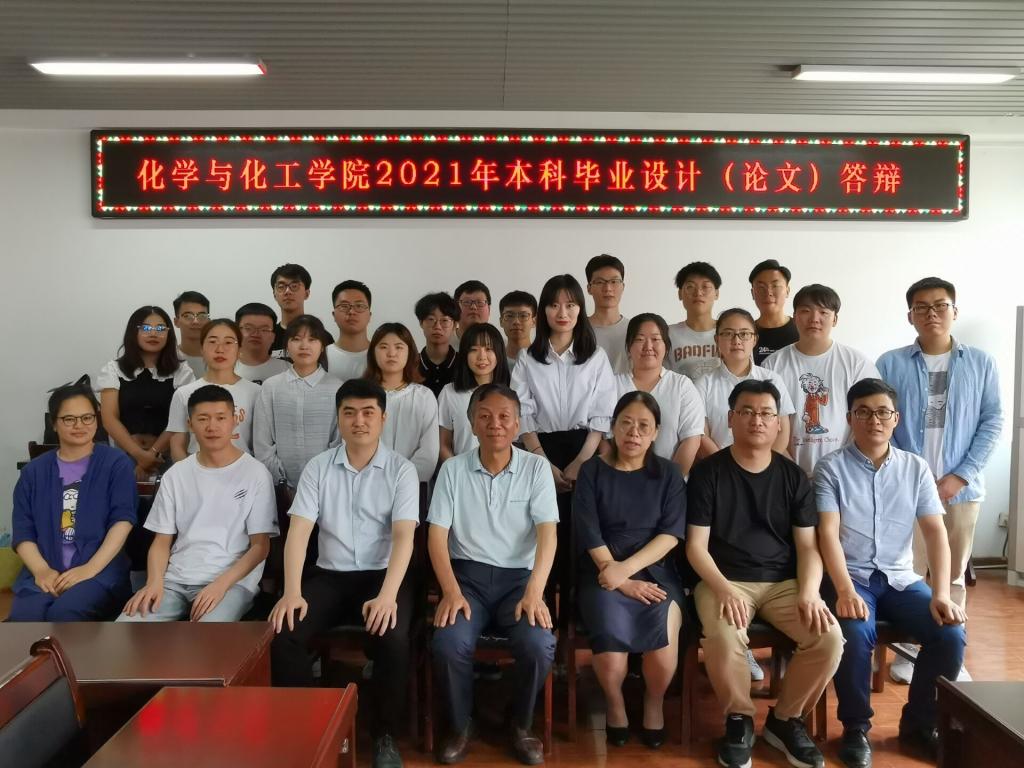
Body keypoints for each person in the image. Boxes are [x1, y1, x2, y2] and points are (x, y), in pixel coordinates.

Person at [686, 379, 843, 768]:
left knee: (828, 638)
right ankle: (739, 719)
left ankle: (785, 720)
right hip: (723, 580)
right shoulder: (708, 473)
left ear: (778, 423)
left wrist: (809, 592)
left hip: (783, 583)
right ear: (731, 419)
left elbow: (808, 547)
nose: (757, 420)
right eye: (747, 412)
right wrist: (723, 589)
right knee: (723, 635)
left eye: (766, 414)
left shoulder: (793, 476)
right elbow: (696, 547)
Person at [815, 378, 967, 767]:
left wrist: (941, 593)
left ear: (896, 418)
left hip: (901, 579)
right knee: (853, 633)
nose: (874, 420)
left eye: (883, 412)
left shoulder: (915, 468)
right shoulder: (831, 467)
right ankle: (855, 729)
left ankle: (920, 723)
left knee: (950, 632)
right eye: (863, 412)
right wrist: (844, 590)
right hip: (852, 578)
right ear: (850, 418)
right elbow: (827, 533)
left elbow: (935, 532)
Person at [269, 378, 418, 768]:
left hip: (382, 576)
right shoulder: (319, 467)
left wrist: (388, 595)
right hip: (330, 576)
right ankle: (309, 729)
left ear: (383, 418)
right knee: (285, 633)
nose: (359, 421)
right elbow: (299, 532)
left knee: (394, 638)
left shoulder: (401, 470)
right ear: (339, 418)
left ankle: (385, 735)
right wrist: (291, 591)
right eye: (349, 413)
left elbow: (404, 537)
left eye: (368, 412)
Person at [428, 384, 558, 765]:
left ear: (517, 424)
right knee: (448, 643)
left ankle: (521, 724)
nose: (494, 424)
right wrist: (450, 591)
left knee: (538, 644)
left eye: (504, 417)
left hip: (520, 581)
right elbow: (436, 537)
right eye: (484, 416)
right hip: (466, 581)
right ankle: (461, 724)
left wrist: (535, 591)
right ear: (472, 424)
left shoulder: (536, 469)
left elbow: (547, 535)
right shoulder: (452, 470)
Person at [877, 277, 1003, 629]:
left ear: (954, 311)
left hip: (961, 489)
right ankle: (908, 645)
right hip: (906, 487)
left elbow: (993, 421)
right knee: (908, 572)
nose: (931, 313)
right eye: (921, 307)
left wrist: (961, 475)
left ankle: (949, 643)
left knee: (953, 575)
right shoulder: (890, 364)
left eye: (940, 306)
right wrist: (909, 474)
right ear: (910, 316)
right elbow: (880, 423)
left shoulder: (981, 363)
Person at [574, 392, 686, 749]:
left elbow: (670, 535)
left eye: (643, 426)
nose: (634, 432)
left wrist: (627, 572)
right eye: (626, 423)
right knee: (611, 653)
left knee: (663, 648)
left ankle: (654, 703)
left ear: (656, 432)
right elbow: (588, 531)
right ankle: (615, 704)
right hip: (601, 572)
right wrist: (619, 579)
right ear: (613, 427)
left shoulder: (669, 474)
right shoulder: (592, 471)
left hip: (656, 572)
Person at [119, 385, 278, 622]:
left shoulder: (256, 473)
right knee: (127, 626)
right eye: (203, 419)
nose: (212, 426)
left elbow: (260, 546)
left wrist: (220, 585)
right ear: (190, 424)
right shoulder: (176, 474)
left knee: (205, 635)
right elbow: (161, 542)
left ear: (235, 421)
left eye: (220, 418)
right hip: (174, 581)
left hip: (230, 584)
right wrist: (153, 583)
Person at [512, 274, 616, 599]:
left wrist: (582, 460)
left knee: (580, 530)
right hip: (539, 450)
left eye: (570, 305)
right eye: (554, 305)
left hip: (585, 449)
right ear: (542, 311)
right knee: (541, 528)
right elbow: (522, 414)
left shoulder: (595, 357)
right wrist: (542, 461)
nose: (562, 312)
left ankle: (577, 605)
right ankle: (540, 602)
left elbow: (602, 415)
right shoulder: (528, 358)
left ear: (580, 309)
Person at [9, 377, 136, 621]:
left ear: (97, 419)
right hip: (43, 571)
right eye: (69, 419)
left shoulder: (116, 464)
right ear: (54, 423)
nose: (79, 425)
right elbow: (23, 531)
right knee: (25, 618)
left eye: (87, 417)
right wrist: (41, 570)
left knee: (66, 613)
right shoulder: (33, 472)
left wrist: (89, 569)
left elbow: (123, 521)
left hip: (99, 572)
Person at [763, 284, 879, 478]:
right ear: (795, 317)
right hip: (786, 473)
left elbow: (871, 419)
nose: (814, 319)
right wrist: (794, 472)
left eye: (823, 312)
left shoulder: (857, 364)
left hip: (845, 472)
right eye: (806, 311)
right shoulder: (773, 365)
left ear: (835, 319)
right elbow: (765, 420)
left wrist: (841, 465)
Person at [98, 305, 196, 481]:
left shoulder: (182, 371)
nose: (153, 334)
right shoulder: (113, 369)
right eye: (146, 328)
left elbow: (181, 418)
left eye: (160, 328)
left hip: (166, 458)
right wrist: (138, 455)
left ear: (168, 333)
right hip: (124, 456)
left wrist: (152, 454)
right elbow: (109, 418)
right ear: (133, 331)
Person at [254, 315, 340, 487]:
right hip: (279, 486)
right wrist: (282, 482)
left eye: (312, 339)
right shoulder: (271, 387)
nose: (304, 346)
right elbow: (262, 444)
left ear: (322, 346)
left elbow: (339, 443)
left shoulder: (337, 388)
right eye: (296, 339)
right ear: (287, 345)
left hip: (327, 485)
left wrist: (321, 483)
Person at [697, 308, 794, 458]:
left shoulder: (773, 379)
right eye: (728, 334)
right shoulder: (703, 384)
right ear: (717, 340)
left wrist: (764, 465)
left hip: (767, 466)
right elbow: (701, 435)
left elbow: (782, 432)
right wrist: (726, 467)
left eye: (744, 334)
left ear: (754, 339)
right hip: (719, 466)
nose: (736, 341)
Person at [614, 313, 704, 477]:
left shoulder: (682, 386)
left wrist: (670, 483)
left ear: (666, 347)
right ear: (629, 347)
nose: (648, 346)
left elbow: (691, 439)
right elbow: (606, 439)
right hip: (619, 481)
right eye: (640, 339)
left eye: (655, 339)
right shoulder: (613, 385)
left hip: (669, 483)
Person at [167, 319, 261, 461]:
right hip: (197, 470)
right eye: (212, 342)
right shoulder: (184, 393)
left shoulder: (256, 392)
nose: (220, 349)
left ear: (239, 350)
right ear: (202, 349)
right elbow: (177, 445)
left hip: (243, 470)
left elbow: (262, 445)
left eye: (228, 342)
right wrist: (190, 472)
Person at [364, 322, 439, 483]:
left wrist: (401, 481)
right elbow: (351, 443)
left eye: (399, 347)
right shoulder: (360, 395)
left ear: (410, 352)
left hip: (411, 487)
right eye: (383, 347)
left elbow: (429, 453)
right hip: (365, 484)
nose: (391, 353)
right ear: (373, 353)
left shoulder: (424, 397)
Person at [438, 322, 511, 462]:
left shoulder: (510, 393)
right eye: (474, 350)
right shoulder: (449, 393)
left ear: (499, 353)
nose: (482, 356)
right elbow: (443, 445)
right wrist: (457, 471)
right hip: (461, 471)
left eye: (489, 349)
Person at [667, 261, 722, 380]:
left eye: (705, 287)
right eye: (690, 287)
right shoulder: (667, 334)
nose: (698, 293)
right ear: (680, 294)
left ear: (717, 293)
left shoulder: (730, 333)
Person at [269, 263, 333, 354]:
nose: (287, 291)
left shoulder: (322, 336)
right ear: (274, 295)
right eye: (281, 287)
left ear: (306, 293)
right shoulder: (267, 337)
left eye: (294, 286)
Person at [586, 254, 630, 375]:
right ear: (589, 288)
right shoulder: (576, 329)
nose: (608, 288)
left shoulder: (635, 329)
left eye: (614, 281)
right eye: (600, 282)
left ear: (623, 286)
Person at [749, 260, 799, 365]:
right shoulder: (745, 334)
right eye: (761, 287)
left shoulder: (801, 330)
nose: (768, 293)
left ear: (787, 291)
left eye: (775, 286)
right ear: (753, 293)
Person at [415, 292, 459, 397]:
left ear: (455, 325)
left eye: (445, 320)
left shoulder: (464, 364)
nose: (438, 326)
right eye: (431, 319)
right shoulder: (410, 364)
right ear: (421, 323)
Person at [327, 279, 373, 381]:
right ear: (334, 315)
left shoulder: (382, 355)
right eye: (344, 306)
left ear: (369, 316)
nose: (352, 312)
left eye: (359, 306)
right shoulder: (320, 356)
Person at [234, 302, 289, 384]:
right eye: (248, 328)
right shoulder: (223, 369)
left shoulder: (288, 370)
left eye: (264, 330)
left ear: (273, 336)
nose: (256, 334)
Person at [173, 290, 211, 377]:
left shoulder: (223, 359)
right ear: (176, 322)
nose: (195, 321)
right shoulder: (167, 359)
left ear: (208, 321)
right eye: (188, 316)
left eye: (202, 316)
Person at [499, 290, 538, 368]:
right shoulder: (492, 361)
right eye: (509, 316)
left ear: (534, 322)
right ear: (501, 321)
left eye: (523, 316)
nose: (516, 321)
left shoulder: (544, 360)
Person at [453, 279, 492, 349]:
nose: (473, 307)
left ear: (489, 309)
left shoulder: (502, 345)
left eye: (480, 302)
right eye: (466, 302)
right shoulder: (443, 343)